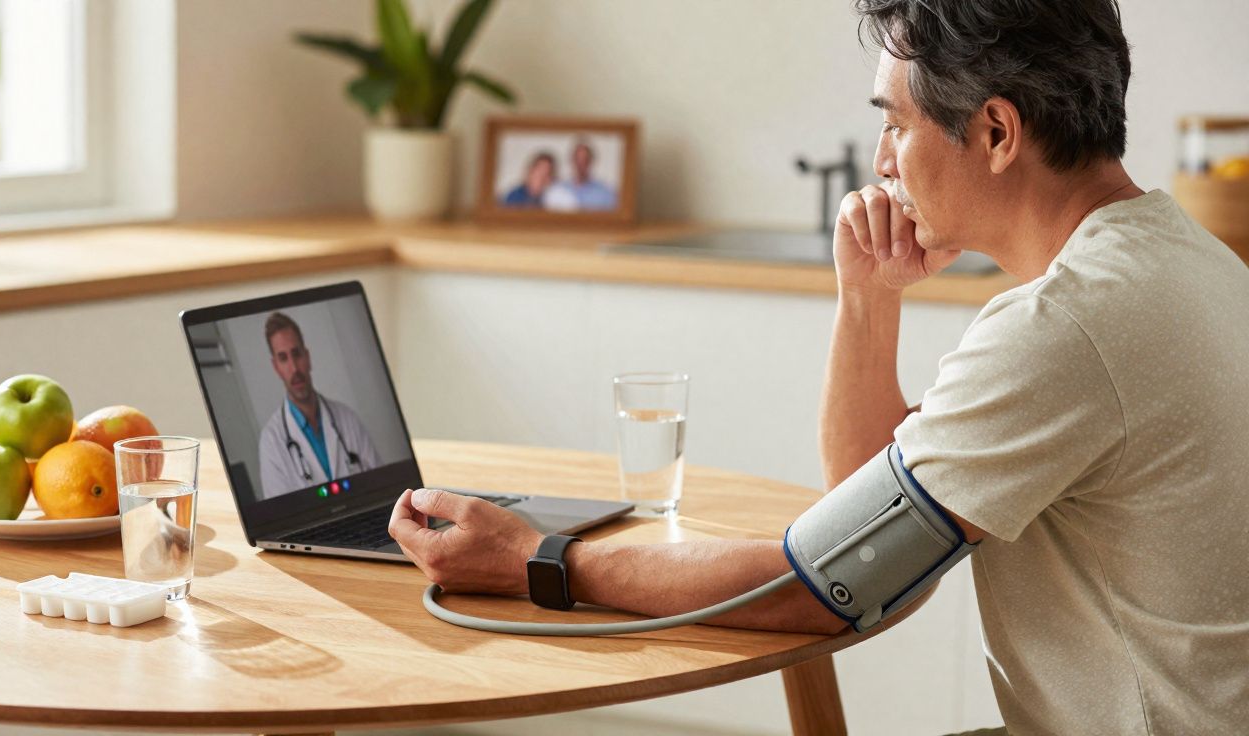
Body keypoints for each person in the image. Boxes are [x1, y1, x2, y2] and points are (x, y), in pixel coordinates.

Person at [388, 1, 1249, 733]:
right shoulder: (1188, 261)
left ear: (994, 131)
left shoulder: (1063, 328)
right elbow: (863, 523)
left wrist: (537, 558)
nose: (881, 161)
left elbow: (823, 583)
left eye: (895, 123)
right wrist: (869, 299)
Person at [258, 312, 379, 499]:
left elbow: (381, 487)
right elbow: (282, 518)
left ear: (307, 357)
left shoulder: (348, 419)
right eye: (283, 358)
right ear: (276, 367)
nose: (294, 368)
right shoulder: (271, 442)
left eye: (296, 354)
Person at [544, 140, 617, 211]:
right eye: (577, 160)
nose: (580, 165)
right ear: (571, 161)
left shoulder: (605, 193)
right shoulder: (558, 191)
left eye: (584, 160)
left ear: (591, 161)